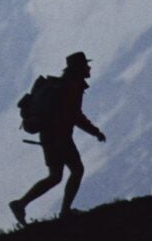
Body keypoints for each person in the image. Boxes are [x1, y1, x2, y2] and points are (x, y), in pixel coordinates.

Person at [11, 51, 106, 225]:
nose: (89, 67)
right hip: (60, 138)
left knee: (55, 176)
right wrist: (95, 131)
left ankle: (21, 204)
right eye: (86, 65)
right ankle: (65, 212)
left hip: (48, 136)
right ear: (79, 68)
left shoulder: (61, 85)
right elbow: (75, 116)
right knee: (76, 171)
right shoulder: (73, 87)